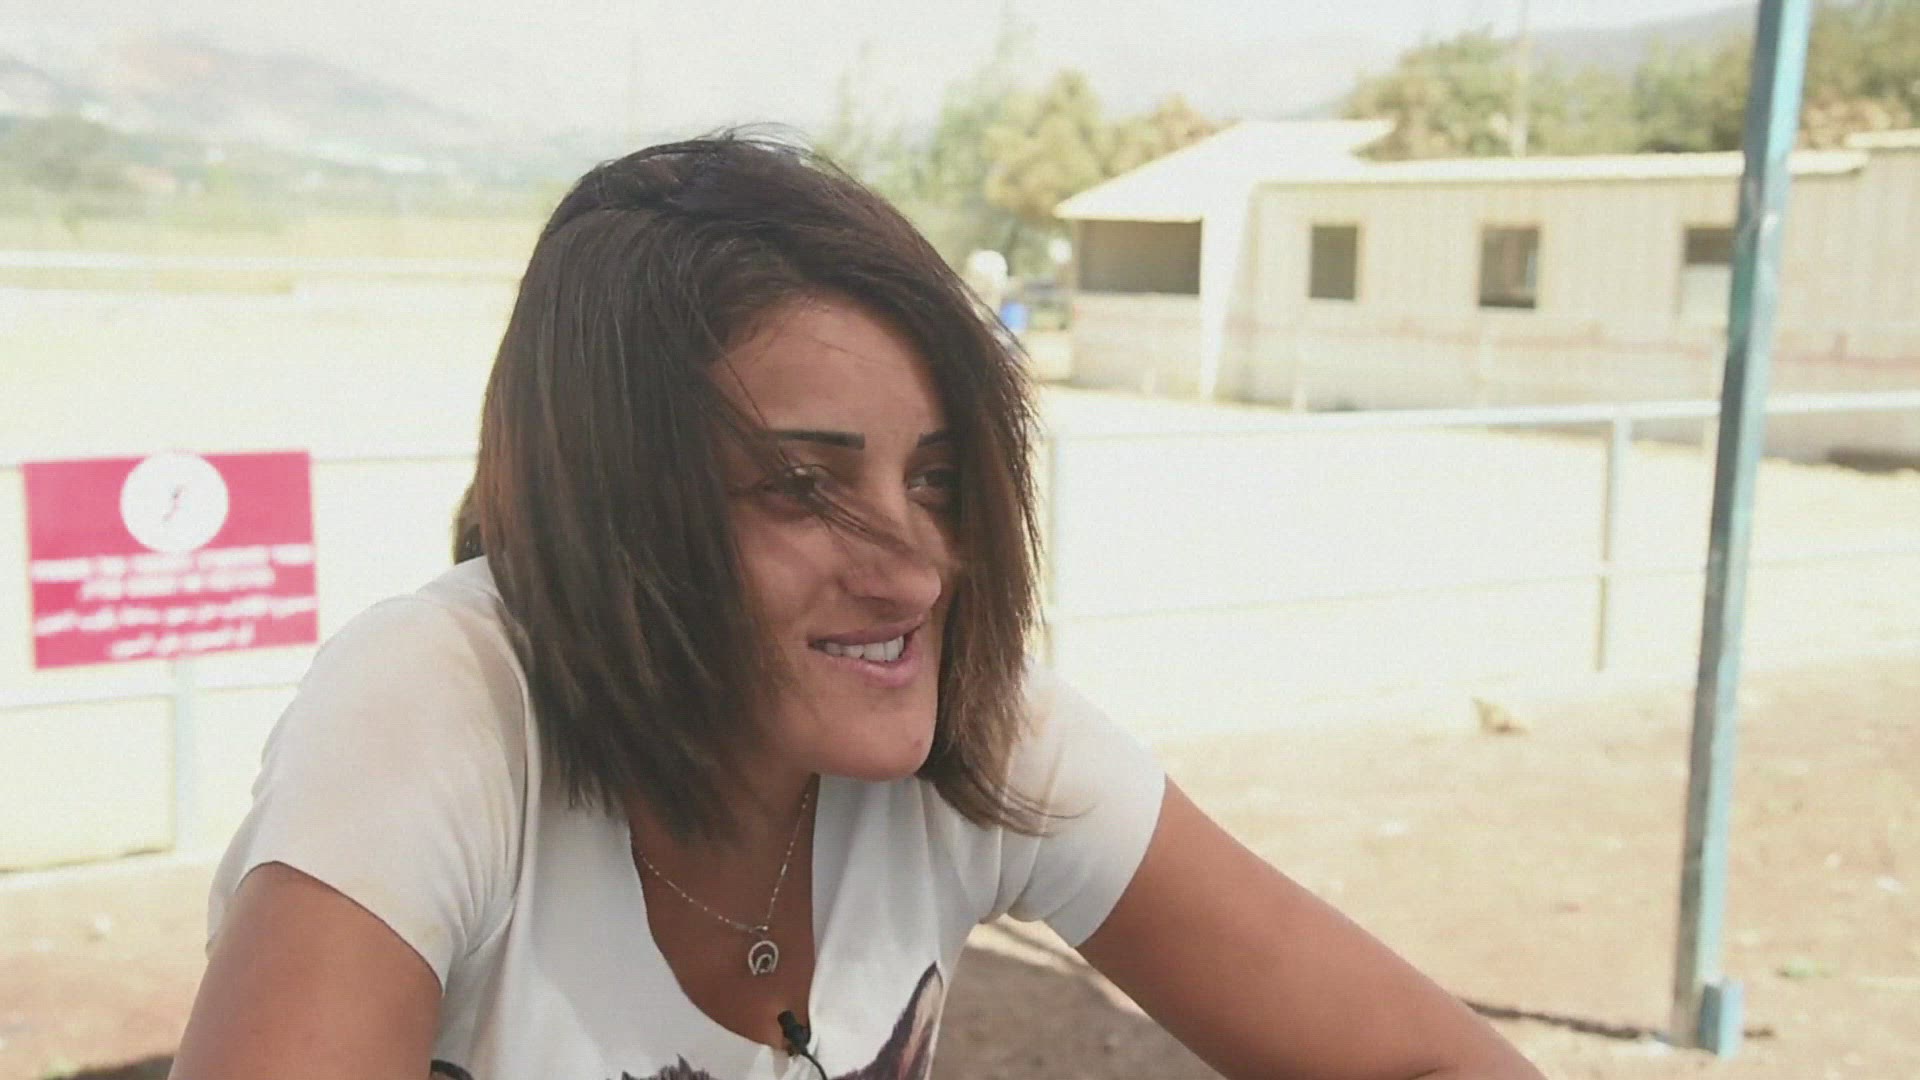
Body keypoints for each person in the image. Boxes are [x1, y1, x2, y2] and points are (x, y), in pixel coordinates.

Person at [171, 134, 1543, 1080]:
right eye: (800, 487)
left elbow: (1434, 1060)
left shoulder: (979, 725)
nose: (917, 571)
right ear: (606, 503)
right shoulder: (442, 701)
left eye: (938, 481)